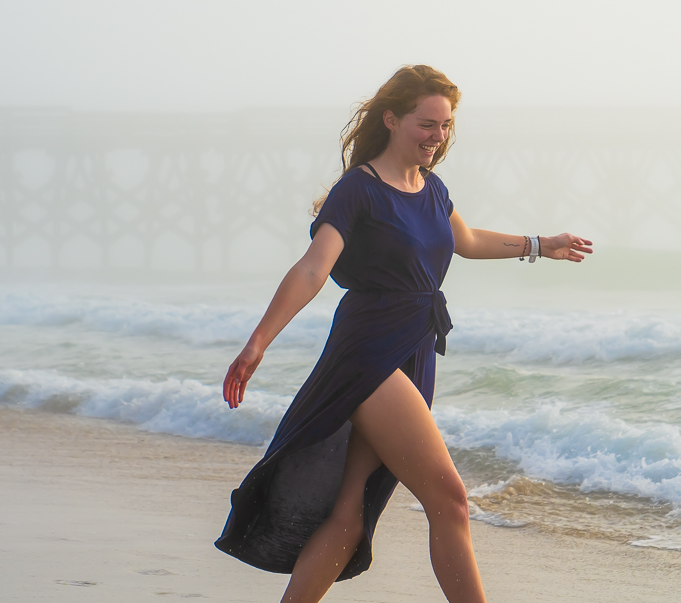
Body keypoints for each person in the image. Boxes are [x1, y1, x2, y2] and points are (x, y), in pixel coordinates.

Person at [215, 65, 592, 603]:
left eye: (445, 126)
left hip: (414, 348)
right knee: (450, 499)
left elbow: (465, 239)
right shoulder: (358, 190)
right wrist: (258, 343)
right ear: (391, 119)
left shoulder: (432, 188)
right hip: (368, 352)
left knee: (351, 509)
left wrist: (539, 243)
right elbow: (312, 269)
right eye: (426, 124)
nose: (437, 137)